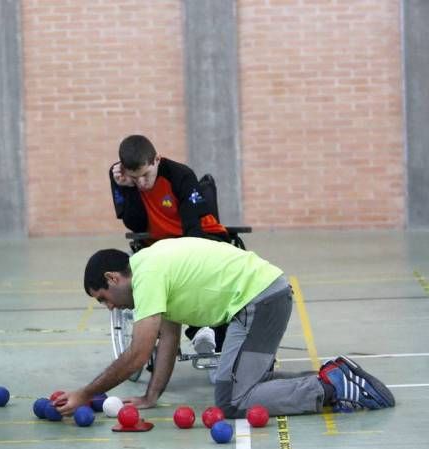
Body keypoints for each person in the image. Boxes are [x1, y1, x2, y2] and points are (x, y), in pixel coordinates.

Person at [55, 239, 395, 418]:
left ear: (112, 278)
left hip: (258, 300)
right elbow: (169, 338)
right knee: (247, 386)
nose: (110, 307)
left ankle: (332, 387)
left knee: (232, 401)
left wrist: (84, 394)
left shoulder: (147, 275)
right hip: (266, 295)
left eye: (104, 298)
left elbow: (137, 355)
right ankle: (336, 377)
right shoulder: (152, 267)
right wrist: (151, 395)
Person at [110, 134, 229, 355]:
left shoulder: (180, 175)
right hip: (157, 244)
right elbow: (135, 223)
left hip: (199, 236)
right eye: (135, 179)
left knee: (202, 274)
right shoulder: (120, 177)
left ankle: (211, 335)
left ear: (157, 159)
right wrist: (127, 189)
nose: (142, 183)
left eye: (146, 175)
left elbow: (193, 228)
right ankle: (201, 330)